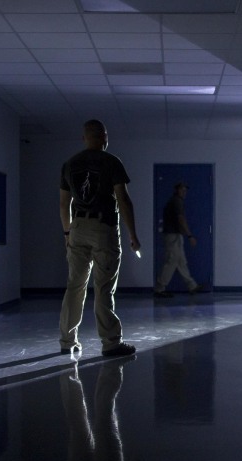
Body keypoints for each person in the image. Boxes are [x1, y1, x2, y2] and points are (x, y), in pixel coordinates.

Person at [59, 119, 141, 357]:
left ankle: (67, 340)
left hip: (78, 227)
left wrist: (67, 233)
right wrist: (133, 235)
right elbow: (123, 200)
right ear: (105, 137)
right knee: (104, 287)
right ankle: (111, 342)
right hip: (103, 227)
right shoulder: (111, 161)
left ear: (84, 138)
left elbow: (64, 204)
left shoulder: (69, 164)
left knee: (75, 285)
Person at [153, 182, 202, 298]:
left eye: (185, 190)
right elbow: (181, 219)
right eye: (182, 190)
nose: (184, 192)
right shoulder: (177, 202)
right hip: (173, 236)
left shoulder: (175, 201)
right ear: (177, 190)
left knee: (181, 262)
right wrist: (190, 235)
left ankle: (192, 286)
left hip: (175, 235)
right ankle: (159, 289)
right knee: (171, 261)